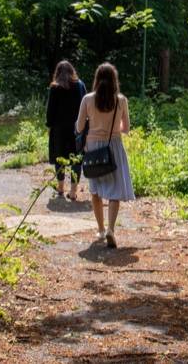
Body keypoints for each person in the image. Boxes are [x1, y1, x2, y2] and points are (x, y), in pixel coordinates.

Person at [75, 62, 134, 248]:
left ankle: (100, 230)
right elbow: (126, 129)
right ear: (115, 79)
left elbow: (79, 127)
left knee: (96, 189)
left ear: (97, 78)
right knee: (114, 190)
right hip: (113, 146)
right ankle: (111, 229)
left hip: (93, 148)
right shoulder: (121, 100)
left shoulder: (87, 99)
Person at [45, 60, 86, 200]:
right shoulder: (80, 86)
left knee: (59, 158)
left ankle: (61, 188)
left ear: (57, 72)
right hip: (77, 129)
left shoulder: (54, 87)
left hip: (59, 130)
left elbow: (50, 110)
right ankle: (73, 191)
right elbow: (85, 107)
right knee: (76, 159)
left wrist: (49, 126)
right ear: (72, 71)